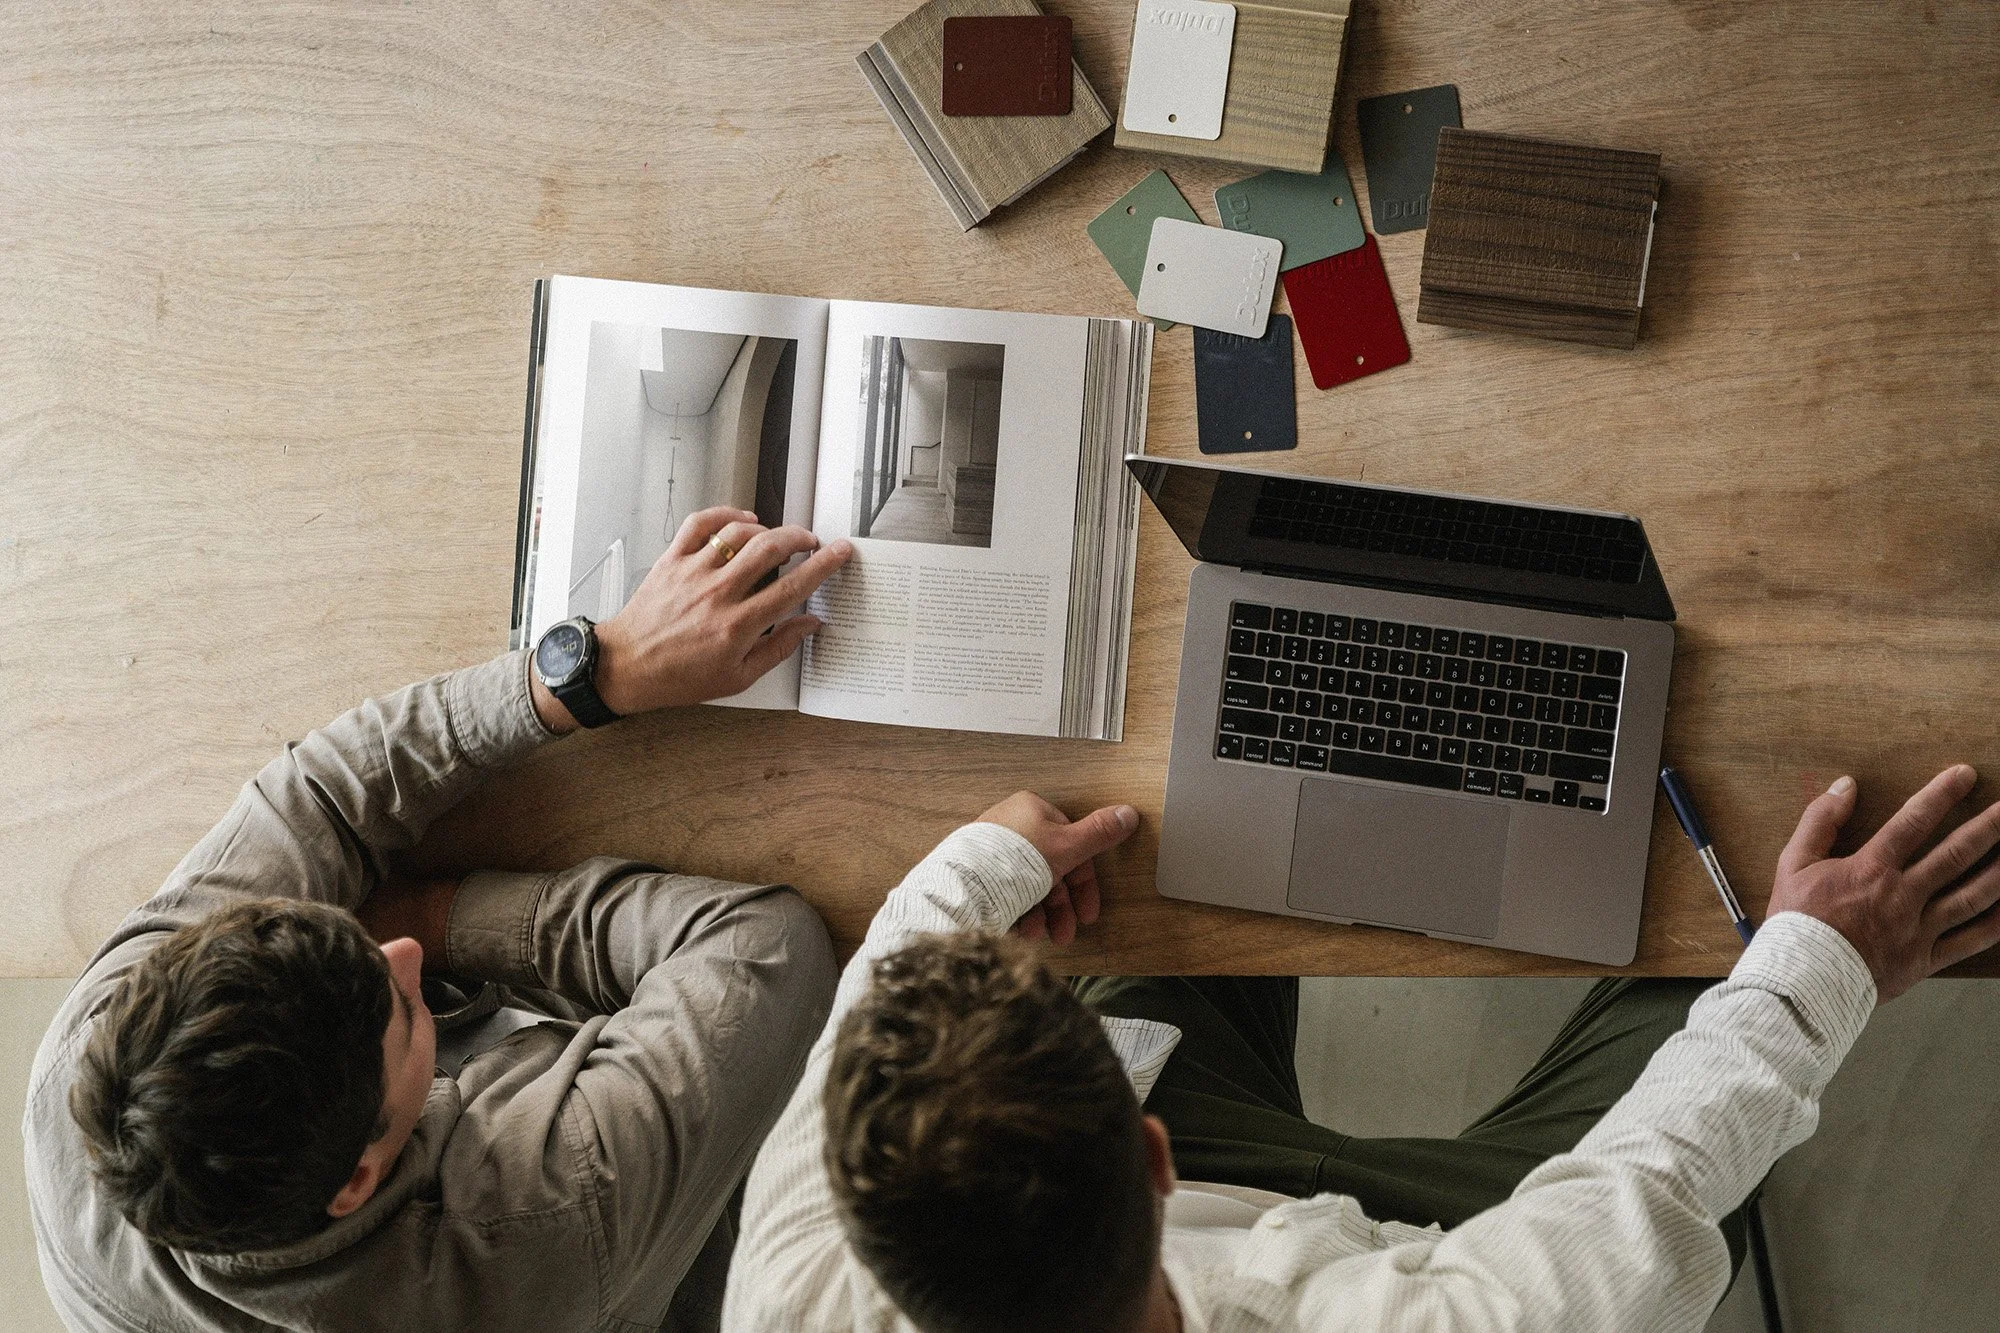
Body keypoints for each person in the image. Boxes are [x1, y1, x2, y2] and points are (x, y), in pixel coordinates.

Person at [723, 766, 2000, 1333]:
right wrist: (1814, 962)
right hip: (1418, 1258)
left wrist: (992, 860)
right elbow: (1644, 1195)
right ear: (1151, 1156)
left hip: (1198, 1240)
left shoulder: (790, 1290)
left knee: (1184, 864)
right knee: (1728, 1011)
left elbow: (878, 997)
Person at [23, 508, 854, 1332]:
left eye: (362, 937)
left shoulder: (103, 1049)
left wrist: (589, 674)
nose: (406, 953)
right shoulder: (539, 1227)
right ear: (357, 1179)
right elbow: (765, 947)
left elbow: (317, 793)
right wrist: (443, 912)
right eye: (404, 1010)